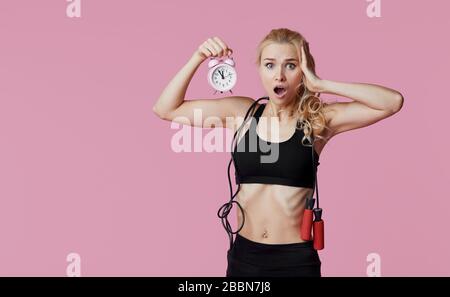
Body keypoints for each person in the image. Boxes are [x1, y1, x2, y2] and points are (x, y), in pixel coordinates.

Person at [153, 28, 404, 277]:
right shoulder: (242, 113)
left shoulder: (318, 120)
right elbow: (166, 109)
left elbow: (392, 102)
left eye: (291, 65)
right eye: (270, 65)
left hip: (295, 262)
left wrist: (322, 84)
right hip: (244, 257)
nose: (280, 76)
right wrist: (198, 57)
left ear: (303, 72)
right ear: (260, 69)